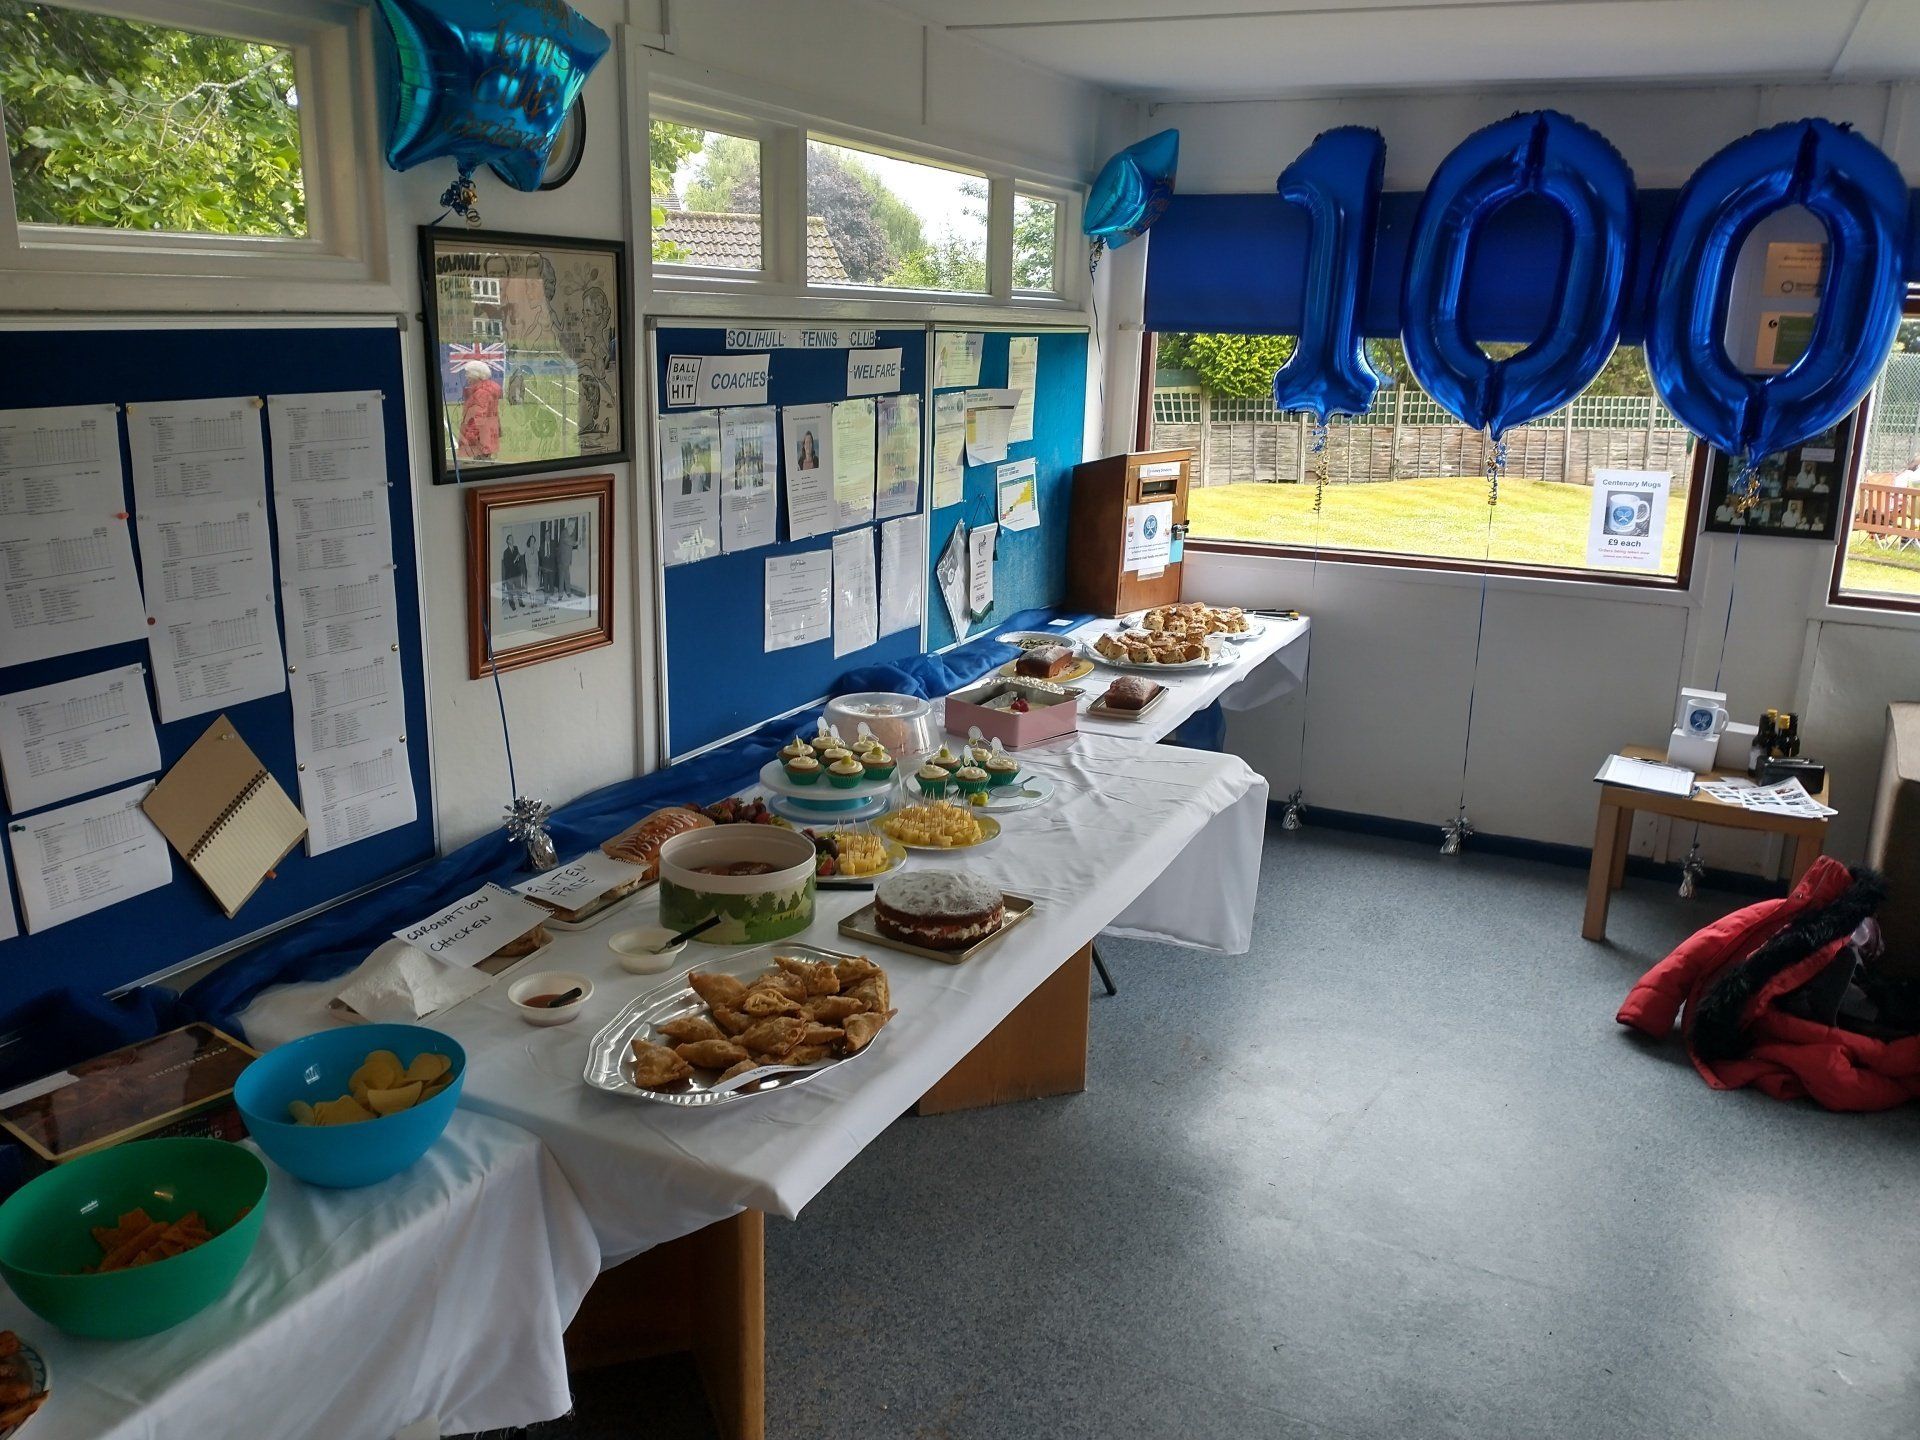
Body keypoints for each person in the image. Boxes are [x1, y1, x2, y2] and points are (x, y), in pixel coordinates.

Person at [456, 360, 502, 461]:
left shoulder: (481, 393)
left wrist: (470, 435)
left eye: (468, 373)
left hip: (481, 438)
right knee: (484, 461)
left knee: (480, 463)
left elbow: (478, 417)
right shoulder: (486, 390)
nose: (466, 376)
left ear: (475, 375)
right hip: (487, 435)